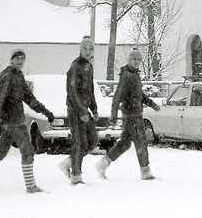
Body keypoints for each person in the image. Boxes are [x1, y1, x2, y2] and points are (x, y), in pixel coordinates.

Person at [0, 48, 55, 193]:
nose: (20, 61)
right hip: (13, 122)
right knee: (28, 152)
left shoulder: (18, 76)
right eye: (17, 58)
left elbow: (29, 99)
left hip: (10, 122)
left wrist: (45, 111)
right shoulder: (10, 76)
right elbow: (0, 98)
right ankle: (31, 187)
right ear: (11, 60)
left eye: (22, 58)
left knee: (0, 153)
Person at [95, 48, 160, 181]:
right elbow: (117, 95)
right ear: (129, 60)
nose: (136, 61)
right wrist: (113, 116)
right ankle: (145, 172)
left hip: (133, 114)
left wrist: (152, 104)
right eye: (134, 59)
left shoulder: (134, 75)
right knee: (141, 143)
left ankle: (103, 164)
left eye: (139, 59)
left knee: (124, 144)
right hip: (132, 115)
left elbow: (139, 94)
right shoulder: (127, 75)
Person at [59, 35, 99, 185]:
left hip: (85, 110)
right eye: (85, 48)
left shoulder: (89, 67)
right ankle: (76, 177)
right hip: (75, 109)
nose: (88, 51)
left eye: (90, 48)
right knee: (79, 142)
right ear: (80, 49)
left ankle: (68, 164)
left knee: (93, 141)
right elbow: (72, 91)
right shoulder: (75, 66)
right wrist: (82, 111)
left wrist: (93, 109)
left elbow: (91, 90)